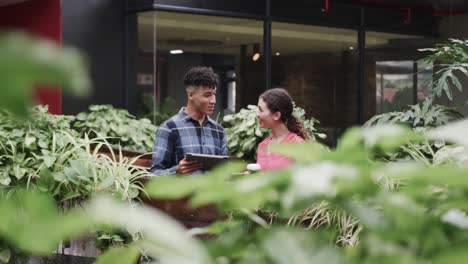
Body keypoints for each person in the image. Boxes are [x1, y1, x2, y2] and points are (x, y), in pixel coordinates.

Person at [151, 66, 228, 175]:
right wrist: (176, 171)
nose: (213, 100)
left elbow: (224, 172)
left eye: (214, 94)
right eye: (207, 95)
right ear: (190, 94)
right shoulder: (169, 128)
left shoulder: (218, 130)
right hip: (182, 192)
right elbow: (154, 173)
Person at [256, 88, 309, 171]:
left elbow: (306, 178)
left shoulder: (297, 144)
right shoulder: (262, 146)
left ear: (276, 115)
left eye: (261, 110)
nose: (257, 114)